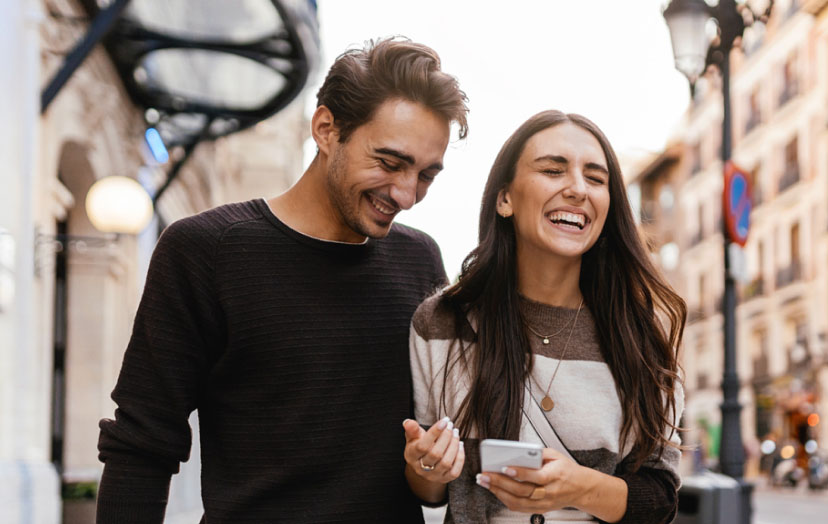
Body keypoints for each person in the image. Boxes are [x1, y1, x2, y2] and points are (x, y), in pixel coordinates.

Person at [96, 37, 468, 523]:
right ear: (326, 129)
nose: (406, 194)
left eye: (425, 175)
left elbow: (427, 464)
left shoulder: (420, 259)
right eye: (389, 162)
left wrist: (435, 466)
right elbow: (141, 444)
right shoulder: (205, 250)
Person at [402, 111, 686, 524]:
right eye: (553, 170)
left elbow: (660, 498)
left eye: (595, 178)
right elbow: (432, 493)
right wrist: (425, 465)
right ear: (505, 199)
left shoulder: (643, 333)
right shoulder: (442, 322)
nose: (576, 189)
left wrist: (580, 487)